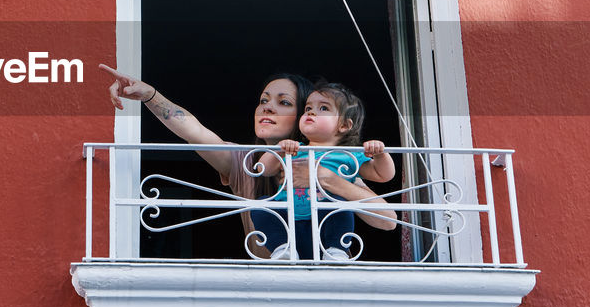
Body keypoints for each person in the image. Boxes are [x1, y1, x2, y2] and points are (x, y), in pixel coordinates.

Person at [100, 65, 389, 260]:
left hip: (330, 285)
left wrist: (326, 179)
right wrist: (150, 95)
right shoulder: (246, 161)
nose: (267, 106)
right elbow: (194, 131)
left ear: (306, 118)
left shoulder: (333, 159)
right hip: (270, 283)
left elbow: (387, 222)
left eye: (283, 102)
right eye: (264, 100)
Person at [257, 80, 398, 261]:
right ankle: (282, 249)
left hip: (325, 223)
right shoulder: (296, 149)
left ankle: (335, 251)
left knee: (339, 204)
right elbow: (263, 169)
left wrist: (380, 154)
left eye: (323, 108)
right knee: (261, 205)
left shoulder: (348, 156)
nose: (312, 112)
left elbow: (383, 175)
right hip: (289, 221)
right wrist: (279, 148)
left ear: (344, 125)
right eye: (308, 108)